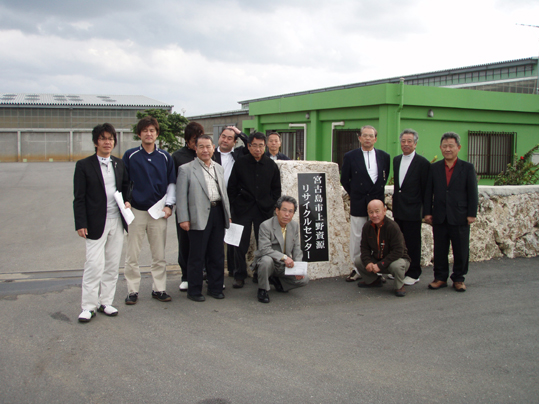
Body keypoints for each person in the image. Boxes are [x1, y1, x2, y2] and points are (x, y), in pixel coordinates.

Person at [73, 123, 131, 322]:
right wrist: (80, 223)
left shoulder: (119, 164)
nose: (107, 142)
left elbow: (126, 187)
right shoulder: (84, 165)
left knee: (112, 264)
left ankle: (106, 302)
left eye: (111, 139)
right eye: (103, 138)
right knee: (94, 264)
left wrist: (127, 201)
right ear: (96, 142)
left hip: (117, 220)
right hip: (95, 222)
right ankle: (88, 306)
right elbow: (79, 197)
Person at [122, 116, 176, 304]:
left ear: (157, 133)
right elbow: (124, 182)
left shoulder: (165, 157)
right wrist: (126, 201)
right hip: (136, 211)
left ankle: (159, 289)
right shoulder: (130, 155)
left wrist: (169, 205)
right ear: (139, 134)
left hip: (158, 212)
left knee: (159, 254)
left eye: (152, 130)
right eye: (145, 130)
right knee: (132, 255)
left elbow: (171, 183)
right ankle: (132, 291)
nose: (148, 133)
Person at [177, 135, 231, 302]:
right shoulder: (186, 169)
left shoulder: (218, 168)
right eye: (201, 146)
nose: (205, 150)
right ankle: (194, 290)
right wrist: (183, 218)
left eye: (208, 146)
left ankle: (215, 288)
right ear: (196, 148)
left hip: (217, 213)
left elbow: (224, 193)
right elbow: (181, 197)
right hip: (197, 215)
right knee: (197, 255)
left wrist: (228, 215)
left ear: (213, 148)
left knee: (217, 254)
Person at [424, 132, 478, 292]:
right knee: (440, 249)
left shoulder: (467, 168)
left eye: (451, 146)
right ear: (440, 148)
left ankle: (459, 278)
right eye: (445, 146)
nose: (447, 149)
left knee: (461, 249)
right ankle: (440, 278)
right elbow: (428, 192)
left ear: (458, 148)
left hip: (460, 215)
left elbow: (472, 192)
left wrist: (472, 213)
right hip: (439, 215)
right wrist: (427, 212)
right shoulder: (434, 168)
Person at [228, 132, 282, 289]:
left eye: (261, 146)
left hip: (263, 210)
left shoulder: (271, 165)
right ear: (248, 146)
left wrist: (271, 204)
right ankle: (239, 274)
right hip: (242, 209)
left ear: (265, 146)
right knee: (240, 244)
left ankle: (260, 272)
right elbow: (232, 188)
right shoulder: (240, 163)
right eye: (255, 146)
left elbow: (276, 190)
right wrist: (236, 203)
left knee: (263, 244)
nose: (258, 149)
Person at [340, 125, 390, 282]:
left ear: (375, 139)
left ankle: (378, 268)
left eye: (371, 136)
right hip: (359, 201)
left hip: (377, 200)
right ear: (359, 138)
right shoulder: (350, 156)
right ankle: (357, 268)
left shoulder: (384, 156)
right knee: (357, 235)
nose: (368, 138)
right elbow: (344, 179)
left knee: (378, 235)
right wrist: (356, 193)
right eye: (365, 135)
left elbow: (384, 178)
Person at [392, 129, 431, 285]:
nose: (406, 144)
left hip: (413, 210)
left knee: (412, 243)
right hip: (398, 208)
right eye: (403, 141)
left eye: (409, 141)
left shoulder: (423, 163)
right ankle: (399, 269)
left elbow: (426, 190)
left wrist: (426, 211)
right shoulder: (396, 160)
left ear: (415, 144)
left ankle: (414, 273)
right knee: (398, 241)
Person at [253, 195, 308, 303]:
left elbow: (297, 248)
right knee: (266, 261)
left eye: (291, 211)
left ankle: (278, 281)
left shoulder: (294, 226)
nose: (287, 214)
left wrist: (298, 268)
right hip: (270, 262)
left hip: (283, 266)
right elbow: (264, 249)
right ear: (277, 211)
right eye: (284, 210)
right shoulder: (266, 225)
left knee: (304, 279)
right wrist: (284, 257)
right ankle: (263, 289)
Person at [212, 126, 249, 279]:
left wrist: (239, 133)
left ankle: (234, 270)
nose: (225, 140)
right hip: (215, 199)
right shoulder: (211, 154)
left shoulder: (239, 154)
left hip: (234, 200)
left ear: (235, 142)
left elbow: (250, 143)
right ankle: (213, 271)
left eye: (229, 138)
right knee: (215, 237)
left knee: (233, 237)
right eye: (223, 136)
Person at [172, 121, 204, 292]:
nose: (197, 144)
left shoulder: (206, 154)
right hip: (185, 207)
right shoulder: (177, 156)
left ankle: (202, 273)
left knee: (202, 242)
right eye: (194, 140)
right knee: (185, 243)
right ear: (187, 140)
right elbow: (172, 183)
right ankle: (185, 276)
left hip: (204, 207)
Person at [355, 199, 411, 297]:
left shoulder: (392, 227)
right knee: (358, 261)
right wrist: (368, 262)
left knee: (397, 266)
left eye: (377, 211)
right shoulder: (367, 227)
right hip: (378, 258)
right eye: (371, 212)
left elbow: (398, 251)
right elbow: (364, 248)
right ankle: (374, 281)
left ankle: (399, 286)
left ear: (384, 211)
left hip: (395, 260)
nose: (374, 215)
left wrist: (380, 265)